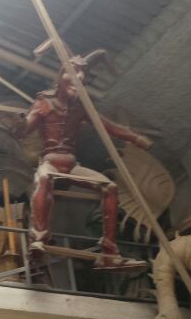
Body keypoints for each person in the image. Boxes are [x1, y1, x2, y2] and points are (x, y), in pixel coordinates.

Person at [17, 50, 151, 270]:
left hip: (71, 165)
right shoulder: (45, 102)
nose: (79, 78)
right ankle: (39, 238)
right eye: (73, 72)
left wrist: (134, 137)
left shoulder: (81, 107)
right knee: (44, 178)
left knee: (110, 187)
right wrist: (20, 124)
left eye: (83, 75)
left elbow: (106, 125)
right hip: (50, 162)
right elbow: (25, 128)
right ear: (61, 76)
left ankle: (109, 252)